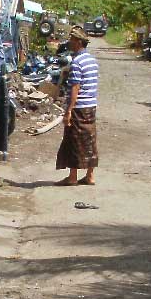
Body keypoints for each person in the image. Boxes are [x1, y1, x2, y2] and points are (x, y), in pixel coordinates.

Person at [55, 26, 99, 186]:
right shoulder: (92, 61)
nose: (70, 43)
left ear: (79, 42)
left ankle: (72, 176)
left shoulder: (77, 62)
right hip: (91, 106)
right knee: (90, 140)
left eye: (72, 40)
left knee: (73, 140)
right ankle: (90, 175)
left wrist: (69, 111)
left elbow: (75, 88)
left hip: (79, 107)